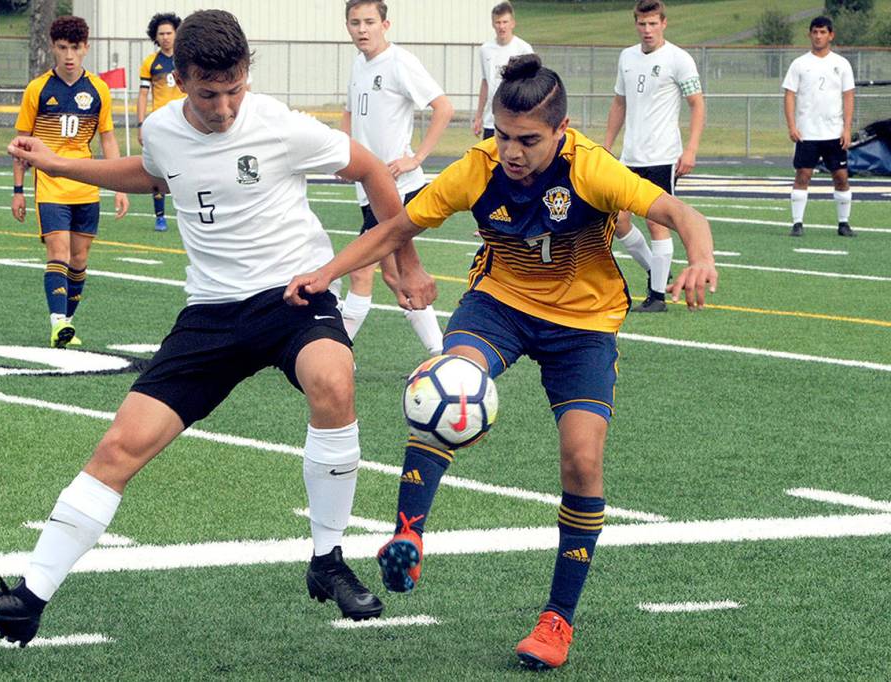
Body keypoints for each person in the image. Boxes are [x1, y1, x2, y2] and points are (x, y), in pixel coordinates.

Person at [0, 9, 433, 647]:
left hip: (291, 296)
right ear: (180, 79)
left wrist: (405, 260)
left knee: (334, 381)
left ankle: (327, 560)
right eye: (208, 93)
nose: (225, 106)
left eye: (234, 89)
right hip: (209, 315)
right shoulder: (162, 128)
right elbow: (151, 171)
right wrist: (60, 164)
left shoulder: (279, 125)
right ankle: (28, 601)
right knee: (119, 448)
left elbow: (370, 169)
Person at [286, 54, 717, 670]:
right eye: (502, 135)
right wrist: (326, 272)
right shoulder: (478, 167)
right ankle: (409, 529)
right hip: (501, 305)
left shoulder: (591, 167)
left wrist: (698, 258)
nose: (511, 151)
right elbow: (397, 226)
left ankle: (557, 621)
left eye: (527, 140)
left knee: (583, 460)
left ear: (561, 132)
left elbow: (680, 214)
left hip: (584, 324)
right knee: (446, 382)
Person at [340, 0, 452, 357]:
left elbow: (443, 107)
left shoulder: (399, 62)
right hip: (367, 188)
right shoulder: (359, 64)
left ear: (385, 25)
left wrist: (415, 157)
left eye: (369, 21)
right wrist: (343, 156)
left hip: (394, 189)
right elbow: (349, 114)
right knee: (395, 277)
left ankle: (336, 354)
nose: (362, 29)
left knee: (360, 272)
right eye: (355, 22)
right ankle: (441, 355)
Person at [9, 16, 129, 348]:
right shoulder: (38, 89)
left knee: (80, 259)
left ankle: (68, 323)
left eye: (75, 48)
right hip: (49, 184)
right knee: (58, 250)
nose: (69, 55)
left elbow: (108, 139)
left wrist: (119, 184)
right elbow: (21, 143)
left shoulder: (98, 89)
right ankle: (57, 322)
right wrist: (18, 190)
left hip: (85, 183)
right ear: (53, 48)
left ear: (86, 48)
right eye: (62, 48)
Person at [604, 0, 705, 313]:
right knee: (617, 221)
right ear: (635, 24)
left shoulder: (679, 59)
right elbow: (619, 103)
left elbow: (697, 105)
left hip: (662, 156)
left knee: (656, 222)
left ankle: (657, 297)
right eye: (641, 24)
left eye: (652, 23)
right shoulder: (627, 57)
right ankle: (655, 270)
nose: (647, 30)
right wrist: (606, 146)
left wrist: (690, 150)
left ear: (664, 23)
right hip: (630, 156)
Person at [782, 15, 855, 238]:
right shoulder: (800, 64)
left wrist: (847, 128)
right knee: (803, 174)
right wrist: (792, 125)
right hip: (808, 132)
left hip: (833, 132)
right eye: (815, 32)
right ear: (810, 34)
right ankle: (797, 223)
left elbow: (848, 96)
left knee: (841, 176)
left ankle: (843, 223)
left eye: (823, 32)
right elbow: (789, 95)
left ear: (830, 35)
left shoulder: (841, 64)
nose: (818, 36)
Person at [138, 12, 185, 232]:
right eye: (161, 34)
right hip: (160, 123)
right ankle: (160, 216)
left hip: (185, 122)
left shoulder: (186, 58)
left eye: (169, 33)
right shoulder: (150, 62)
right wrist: (140, 123)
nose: (166, 37)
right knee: (157, 169)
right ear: (155, 37)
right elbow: (142, 94)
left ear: (177, 34)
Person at [472, 2, 532, 140]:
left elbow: (531, 85)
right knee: (489, 160)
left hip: (515, 120)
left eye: (505, 22)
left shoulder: (524, 49)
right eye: (498, 22)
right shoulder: (485, 49)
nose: (502, 26)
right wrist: (478, 116)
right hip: (491, 121)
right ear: (493, 24)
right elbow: (486, 82)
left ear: (512, 23)